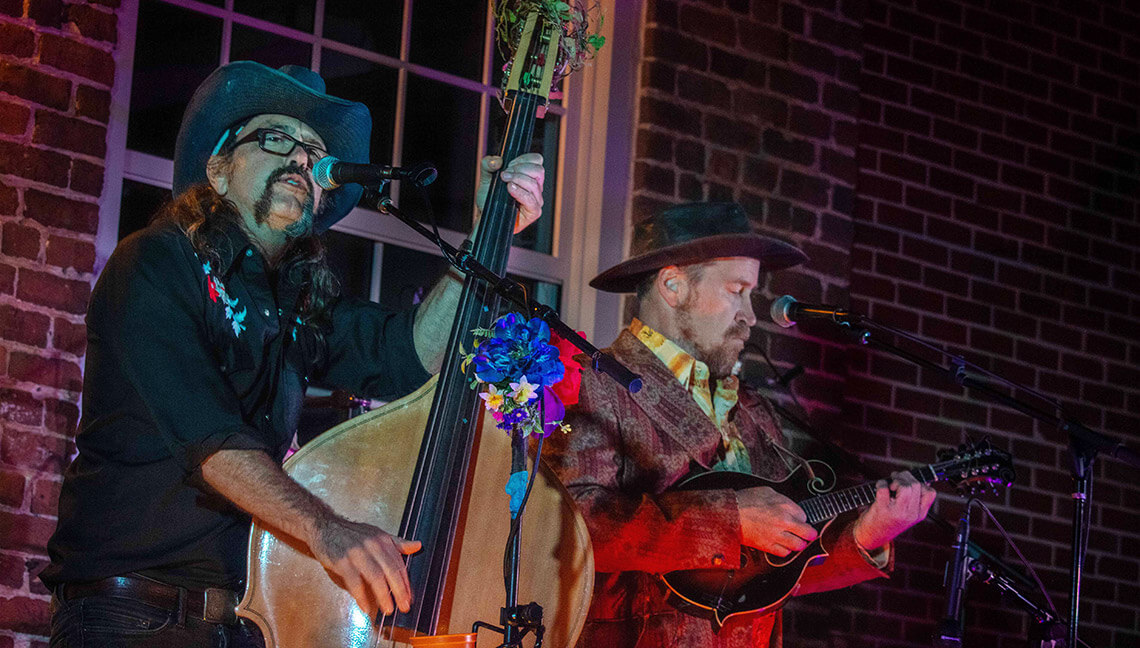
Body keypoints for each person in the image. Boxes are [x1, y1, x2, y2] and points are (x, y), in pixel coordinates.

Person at [42, 62, 546, 647]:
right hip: (130, 617)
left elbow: (410, 353)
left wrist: (489, 231)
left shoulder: (298, 305)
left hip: (247, 621)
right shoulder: (156, 264)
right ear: (219, 171)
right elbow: (212, 440)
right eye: (276, 139)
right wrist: (327, 529)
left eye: (313, 153)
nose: (301, 161)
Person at [544, 201, 937, 647]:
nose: (750, 315)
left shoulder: (753, 411)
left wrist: (865, 536)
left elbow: (770, 576)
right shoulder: (590, 382)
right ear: (673, 285)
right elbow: (572, 526)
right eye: (737, 290)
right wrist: (730, 521)